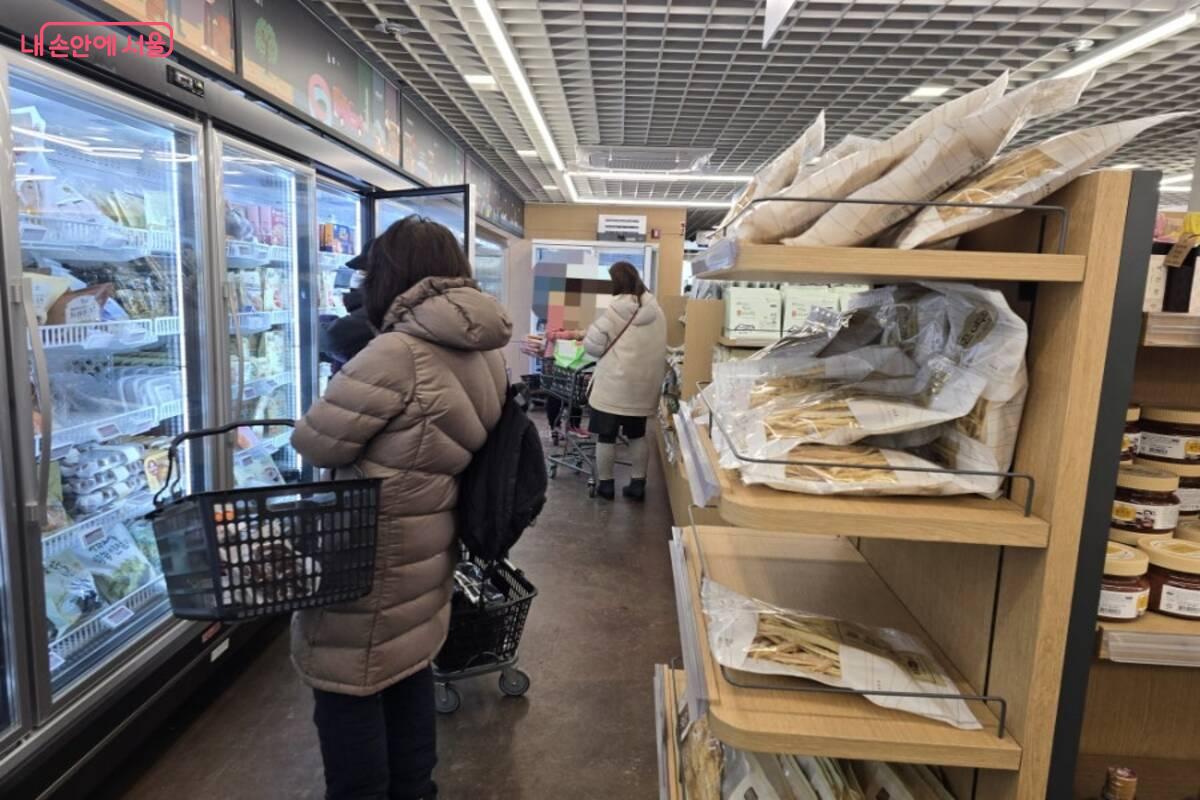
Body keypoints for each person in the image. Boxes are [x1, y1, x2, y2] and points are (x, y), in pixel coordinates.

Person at [290, 216, 511, 800]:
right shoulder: (485, 350)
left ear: (393, 277)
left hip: (366, 546)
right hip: (430, 538)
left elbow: (315, 441)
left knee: (349, 682)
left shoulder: (395, 353)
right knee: (405, 668)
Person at [582, 261, 667, 501]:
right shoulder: (657, 311)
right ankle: (638, 484)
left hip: (612, 386)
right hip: (642, 386)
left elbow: (593, 347)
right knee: (637, 435)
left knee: (606, 436)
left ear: (616, 282)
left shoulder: (614, 311)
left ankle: (606, 486)